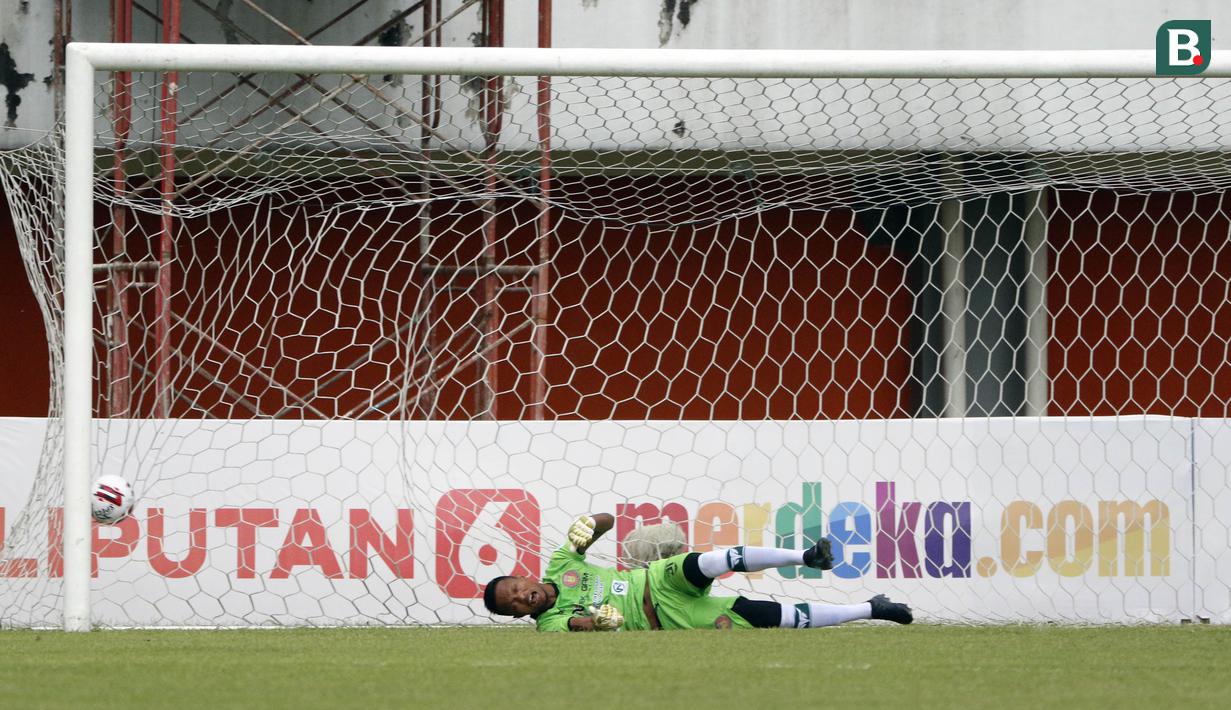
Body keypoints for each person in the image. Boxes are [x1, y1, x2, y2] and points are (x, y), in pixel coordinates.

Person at [483, 513, 914, 631]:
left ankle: (806, 555)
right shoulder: (552, 625)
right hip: (670, 620)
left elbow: (603, 521)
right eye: (515, 604)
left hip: (656, 579)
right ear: (520, 616)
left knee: (704, 562)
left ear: (526, 577)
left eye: (518, 588)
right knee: (764, 616)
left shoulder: (561, 565)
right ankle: (871, 609)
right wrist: (594, 622)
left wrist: (589, 526)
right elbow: (575, 625)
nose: (523, 597)